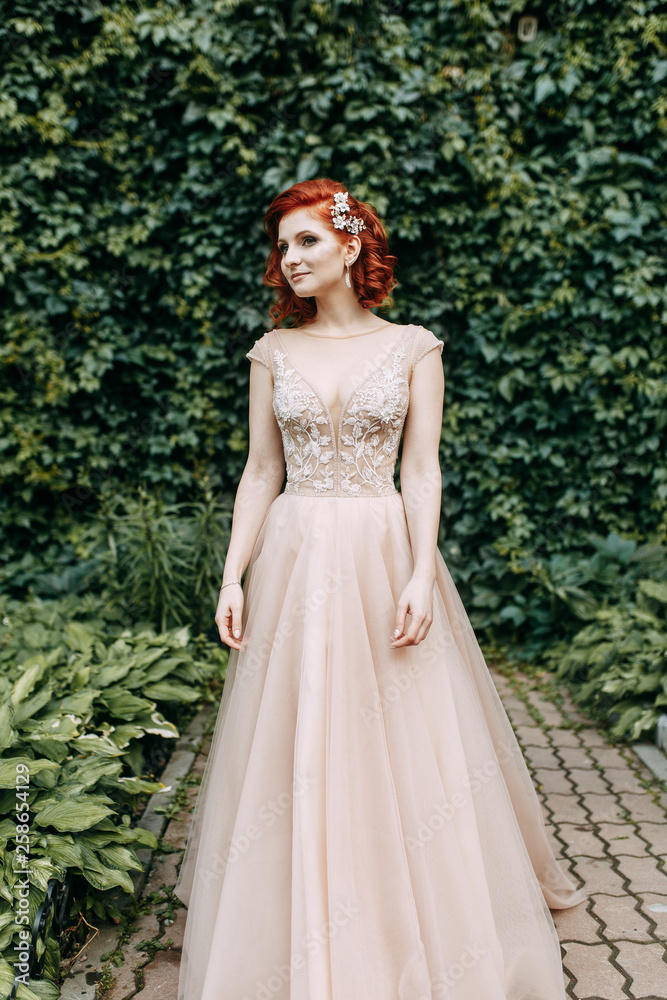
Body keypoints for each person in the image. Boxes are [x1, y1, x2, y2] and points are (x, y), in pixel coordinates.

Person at [173, 178, 588, 1000]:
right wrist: (231, 571)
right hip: (292, 552)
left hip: (379, 545)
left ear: (350, 245)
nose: (289, 260)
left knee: (404, 736)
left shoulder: (413, 348)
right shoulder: (271, 352)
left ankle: (419, 915)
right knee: (292, 733)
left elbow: (422, 470)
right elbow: (261, 470)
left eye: (306, 243)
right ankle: (286, 916)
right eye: (282, 246)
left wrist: (418, 572)